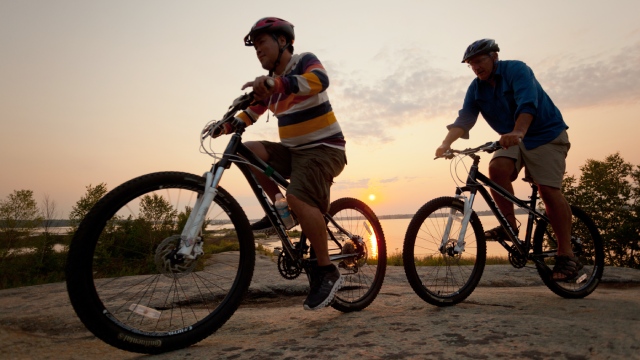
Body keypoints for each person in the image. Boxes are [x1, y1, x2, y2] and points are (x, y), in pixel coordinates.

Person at [208, 17, 346, 310]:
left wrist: (277, 82)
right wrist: (226, 126)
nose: (258, 50)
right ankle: (280, 210)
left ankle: (327, 271)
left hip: (325, 149)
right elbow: (251, 112)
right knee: (246, 150)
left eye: (262, 42)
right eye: (254, 46)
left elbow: (321, 80)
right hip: (294, 151)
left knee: (299, 196)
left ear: (282, 41)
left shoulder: (303, 62)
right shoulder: (268, 86)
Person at [435, 39, 581, 281]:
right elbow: (465, 118)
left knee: (548, 190)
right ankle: (510, 226)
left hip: (545, 134)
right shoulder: (476, 88)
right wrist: (446, 143)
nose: (476, 67)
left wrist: (519, 132)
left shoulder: (517, 70)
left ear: (494, 57)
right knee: (497, 168)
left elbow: (528, 103)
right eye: (471, 64)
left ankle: (566, 254)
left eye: (479, 61)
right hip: (512, 138)